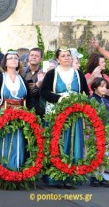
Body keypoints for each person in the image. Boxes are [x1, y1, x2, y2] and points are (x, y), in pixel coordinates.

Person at [40, 47, 89, 188]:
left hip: (74, 114)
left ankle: (71, 176)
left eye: (68, 55)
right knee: (58, 142)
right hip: (57, 113)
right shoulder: (52, 74)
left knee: (74, 142)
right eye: (63, 55)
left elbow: (86, 92)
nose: (67, 58)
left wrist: (80, 101)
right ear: (57, 59)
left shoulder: (79, 74)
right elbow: (44, 92)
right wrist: (59, 99)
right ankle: (55, 176)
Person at [0, 51, 32, 180]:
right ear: (5, 63)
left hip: (20, 117)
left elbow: (29, 98)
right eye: (10, 58)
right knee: (2, 142)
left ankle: (17, 172)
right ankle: (2, 173)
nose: (13, 60)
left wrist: (29, 114)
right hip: (3, 117)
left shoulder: (22, 79)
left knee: (19, 142)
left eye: (16, 58)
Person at [89, 77, 109, 187]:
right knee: (95, 152)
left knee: (105, 153)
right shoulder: (92, 100)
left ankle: (101, 175)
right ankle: (94, 175)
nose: (104, 88)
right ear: (95, 87)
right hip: (95, 129)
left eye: (105, 86)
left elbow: (108, 114)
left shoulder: (106, 100)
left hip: (105, 129)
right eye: (101, 86)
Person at [22, 47, 45, 117]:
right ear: (28, 57)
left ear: (41, 59)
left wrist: (39, 85)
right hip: (23, 107)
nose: (34, 57)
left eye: (37, 56)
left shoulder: (44, 73)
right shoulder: (21, 71)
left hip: (38, 108)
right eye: (32, 55)